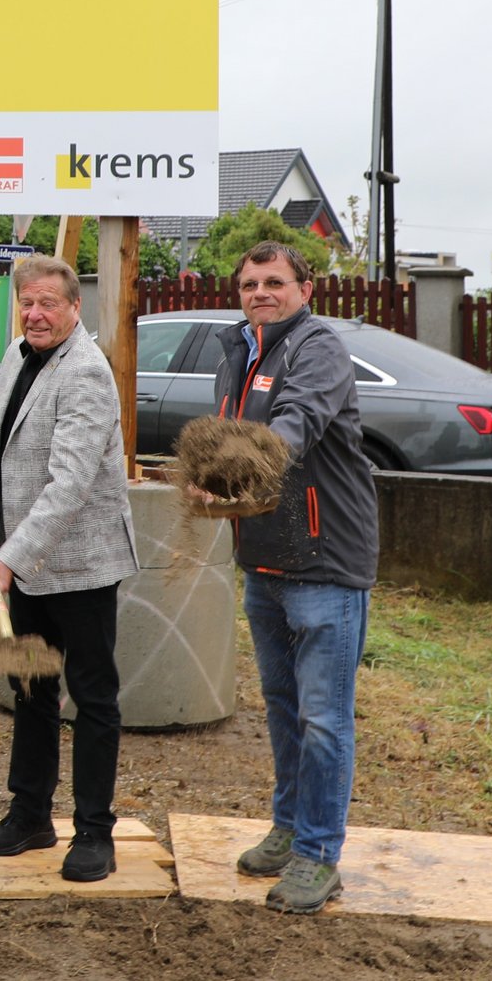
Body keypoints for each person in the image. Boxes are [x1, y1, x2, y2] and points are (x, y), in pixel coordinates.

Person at [209, 241, 378, 916]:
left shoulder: (318, 349)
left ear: (306, 288)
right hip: (265, 560)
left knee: (324, 719)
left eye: (274, 281)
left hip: (325, 560)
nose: (260, 292)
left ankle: (318, 855)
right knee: (282, 711)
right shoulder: (240, 350)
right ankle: (287, 829)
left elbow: (295, 425)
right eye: (250, 283)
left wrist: (246, 465)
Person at [0, 254, 137, 884]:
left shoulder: (86, 373)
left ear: (73, 308)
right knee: (31, 688)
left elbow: (69, 485)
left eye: (48, 305)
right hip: (24, 561)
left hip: (82, 565)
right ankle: (30, 813)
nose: (35, 314)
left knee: (92, 697)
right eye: (26, 303)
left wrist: (6, 559)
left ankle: (95, 832)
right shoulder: (16, 354)